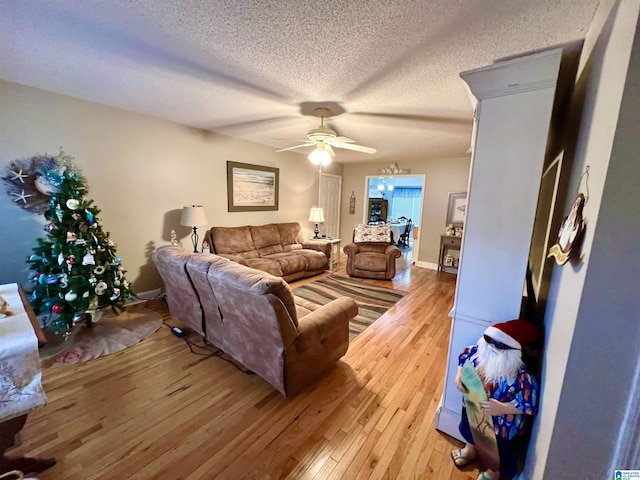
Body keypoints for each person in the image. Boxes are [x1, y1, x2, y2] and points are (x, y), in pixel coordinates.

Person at [450, 319, 540, 480]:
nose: (491, 346)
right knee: (469, 428)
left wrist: (503, 408)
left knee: (499, 448)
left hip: (501, 423)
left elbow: (529, 403)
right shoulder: (477, 354)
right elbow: (464, 356)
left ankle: (493, 472)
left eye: (499, 345)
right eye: (488, 340)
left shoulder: (521, 378)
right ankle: (470, 449)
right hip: (473, 407)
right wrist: (459, 376)